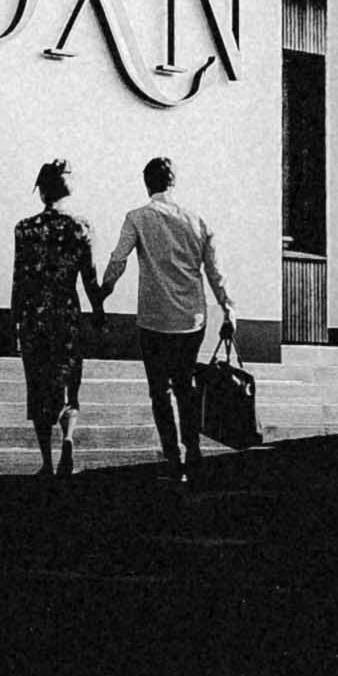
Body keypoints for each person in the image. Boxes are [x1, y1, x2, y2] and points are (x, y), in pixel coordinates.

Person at [99, 154, 236, 481]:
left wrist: (102, 292)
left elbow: (119, 259)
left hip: (154, 320)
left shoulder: (137, 217)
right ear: (174, 182)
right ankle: (194, 451)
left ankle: (173, 460)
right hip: (192, 319)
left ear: (147, 184)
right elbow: (216, 273)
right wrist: (229, 309)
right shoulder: (197, 221)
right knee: (185, 385)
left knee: (159, 390)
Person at [8, 160, 96, 477]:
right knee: (69, 386)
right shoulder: (80, 227)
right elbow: (89, 278)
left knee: (38, 388)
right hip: (67, 315)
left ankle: (46, 460)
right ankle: (68, 442)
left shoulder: (25, 229)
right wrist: (98, 312)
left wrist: (13, 321)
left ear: (42, 191)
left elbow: (19, 279)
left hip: (34, 317)